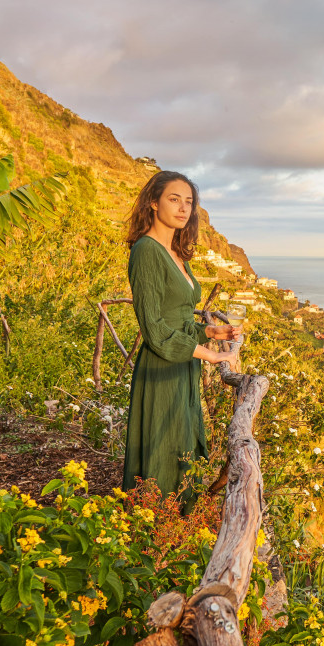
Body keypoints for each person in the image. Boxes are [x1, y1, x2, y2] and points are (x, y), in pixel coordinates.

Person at [121, 171, 239, 509]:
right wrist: (210, 355)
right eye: (174, 199)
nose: (183, 208)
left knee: (181, 444)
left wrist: (211, 332)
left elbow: (178, 318)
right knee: (162, 448)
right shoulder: (147, 250)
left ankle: (177, 523)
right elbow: (154, 328)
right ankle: (152, 524)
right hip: (161, 367)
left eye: (189, 202)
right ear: (153, 203)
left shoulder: (174, 251)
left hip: (182, 363)